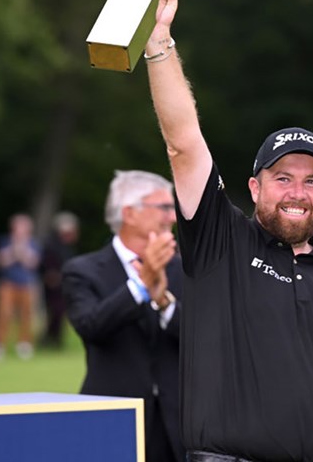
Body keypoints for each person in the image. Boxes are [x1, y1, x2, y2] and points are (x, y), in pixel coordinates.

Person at [140, 0, 313, 462]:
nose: (297, 193)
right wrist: (160, 44)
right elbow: (184, 142)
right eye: (283, 178)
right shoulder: (221, 241)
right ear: (255, 187)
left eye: (311, 181)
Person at [63, 171, 183, 462]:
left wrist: (164, 301)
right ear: (129, 213)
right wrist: (142, 285)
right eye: (164, 208)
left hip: (178, 425)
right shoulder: (83, 271)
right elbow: (91, 326)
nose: (173, 217)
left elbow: (204, 337)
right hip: (112, 420)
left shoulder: (183, 268)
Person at [0, 213, 41, 360]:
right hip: (7, 283)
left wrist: (23, 252)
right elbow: (1, 261)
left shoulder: (33, 243)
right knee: (4, 314)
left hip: (27, 283)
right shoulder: (5, 241)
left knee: (27, 315)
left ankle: (24, 344)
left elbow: (33, 263)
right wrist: (14, 251)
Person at [40, 211, 79, 348]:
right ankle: (48, 339)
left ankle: (54, 340)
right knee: (55, 312)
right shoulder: (51, 245)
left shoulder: (65, 246)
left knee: (59, 313)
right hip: (53, 285)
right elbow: (47, 268)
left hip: (62, 284)